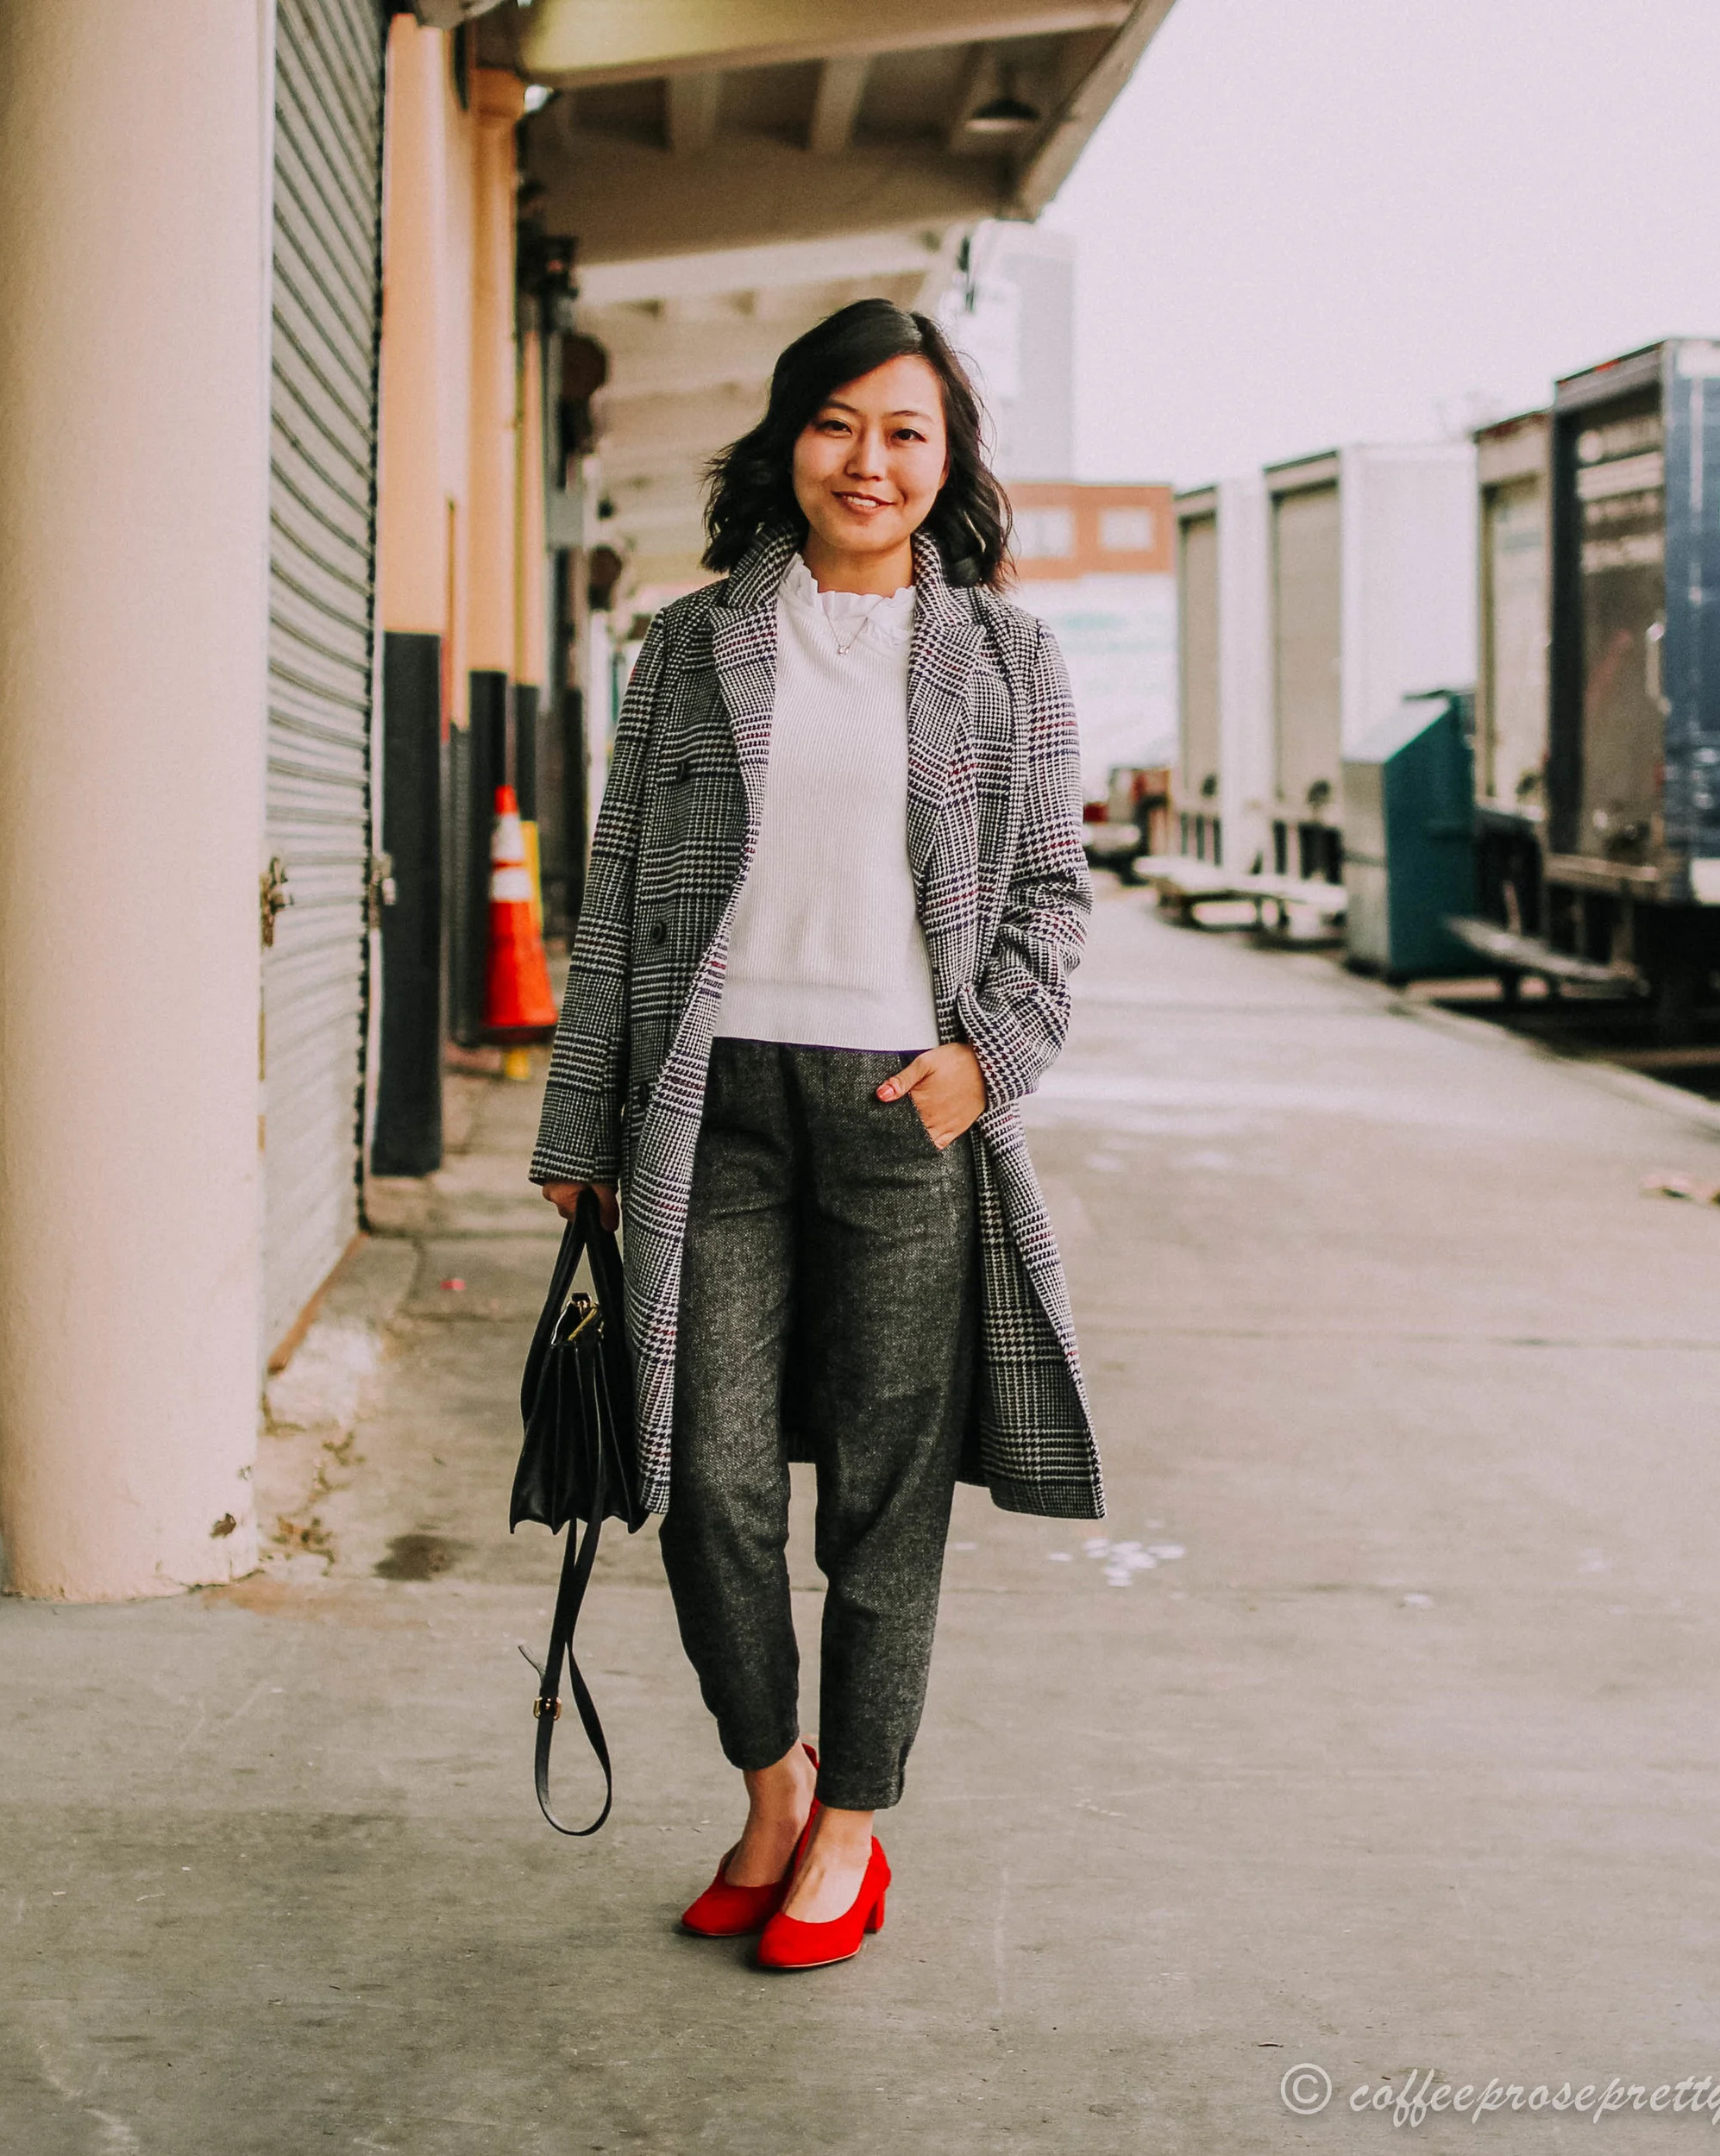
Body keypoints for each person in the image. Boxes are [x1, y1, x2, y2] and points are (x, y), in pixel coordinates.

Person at [530, 298, 1102, 1971]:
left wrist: (977, 1065)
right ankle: (768, 1781)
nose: (869, 460)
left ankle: (848, 1821)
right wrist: (581, 1113)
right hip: (709, 1106)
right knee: (699, 1477)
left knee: (880, 1486)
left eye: (905, 431)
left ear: (948, 462)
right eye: (838, 422)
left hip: (893, 1113)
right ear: (787, 438)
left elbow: (1053, 902)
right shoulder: (691, 642)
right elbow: (619, 888)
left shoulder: (1006, 659)